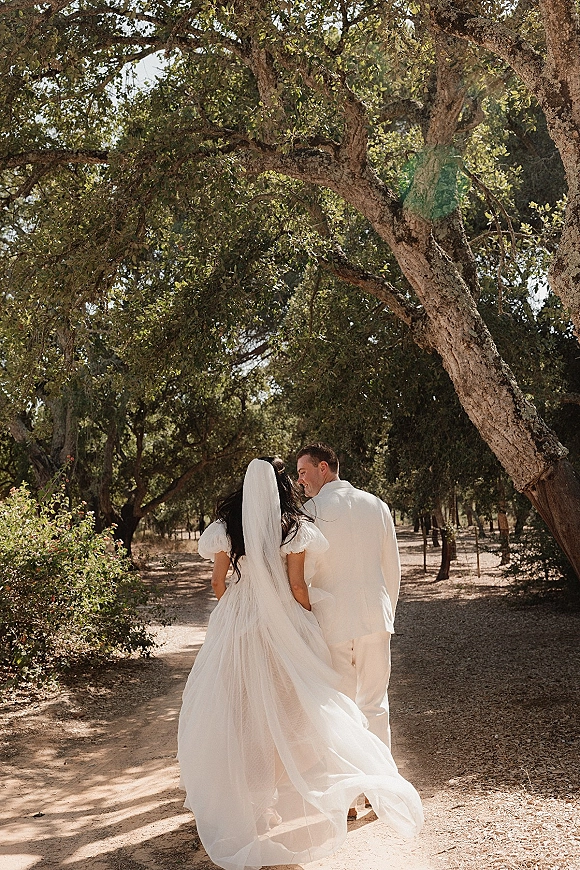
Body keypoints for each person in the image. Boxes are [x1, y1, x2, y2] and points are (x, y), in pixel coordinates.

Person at [178, 457, 423, 870]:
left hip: (237, 626)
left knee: (241, 712)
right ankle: (356, 786)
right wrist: (303, 617)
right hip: (287, 626)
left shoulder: (223, 529)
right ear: (280, 486)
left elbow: (219, 584)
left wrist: (240, 609)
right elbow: (295, 586)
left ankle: (253, 805)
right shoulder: (294, 526)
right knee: (297, 707)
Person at [297, 443, 400, 754]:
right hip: (376, 618)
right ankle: (381, 787)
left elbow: (304, 574)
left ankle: (352, 786)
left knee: (341, 704)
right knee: (375, 703)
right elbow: (391, 567)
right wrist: (387, 613)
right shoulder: (377, 504)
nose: (300, 480)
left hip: (333, 621)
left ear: (323, 468)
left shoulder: (310, 512)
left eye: (303, 472)